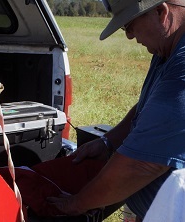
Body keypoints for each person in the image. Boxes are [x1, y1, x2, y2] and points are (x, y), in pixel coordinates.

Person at [47, 0, 185, 221]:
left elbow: (141, 165)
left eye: (129, 25)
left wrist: (76, 204)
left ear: (161, 12)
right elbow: (148, 108)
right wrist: (107, 142)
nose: (129, 36)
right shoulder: (166, 49)